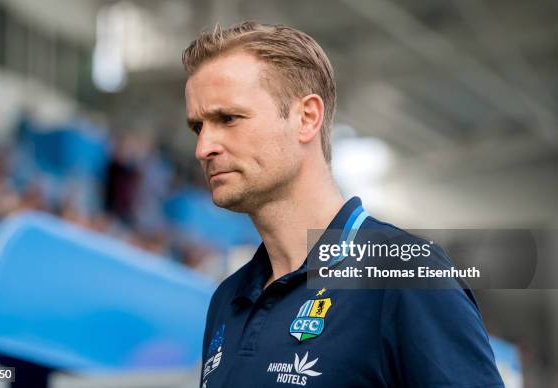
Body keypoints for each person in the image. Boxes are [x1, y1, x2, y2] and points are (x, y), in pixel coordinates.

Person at [182, 21, 504, 387]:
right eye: (198, 127)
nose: (203, 148)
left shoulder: (405, 275)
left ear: (306, 118)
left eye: (228, 119)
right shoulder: (227, 299)